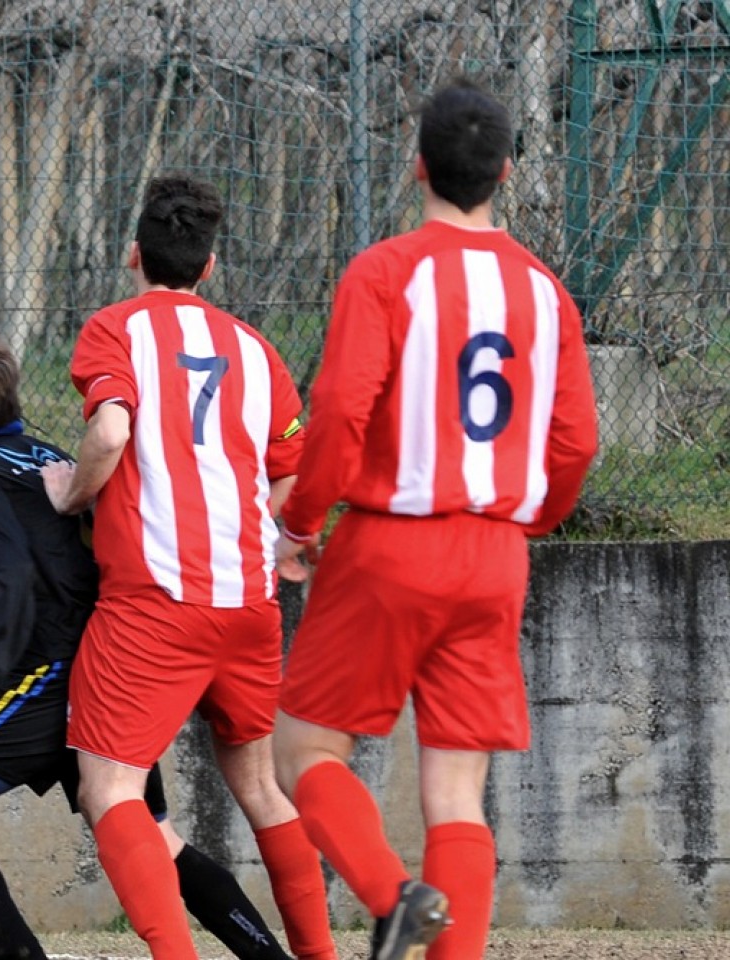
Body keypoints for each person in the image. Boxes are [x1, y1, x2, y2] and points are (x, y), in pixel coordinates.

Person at [270, 78, 599, 960]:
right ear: (506, 173)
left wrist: (300, 523)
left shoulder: (386, 271)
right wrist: (521, 524)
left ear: (417, 165)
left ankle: (392, 899)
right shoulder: (545, 293)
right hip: (495, 554)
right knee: (456, 792)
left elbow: (339, 414)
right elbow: (574, 444)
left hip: (389, 543)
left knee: (301, 752)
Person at [0, 327, 294, 960]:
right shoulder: (44, 453)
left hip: (45, 673)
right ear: (13, 393)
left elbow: (10, 577)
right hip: (110, 663)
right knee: (157, 838)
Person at [41, 175, 335, 960]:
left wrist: (70, 496)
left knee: (110, 791)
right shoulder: (254, 348)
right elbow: (293, 474)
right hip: (248, 603)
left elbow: (107, 436)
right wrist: (263, 531)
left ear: (132, 254)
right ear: (209, 268)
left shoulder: (113, 329)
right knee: (260, 787)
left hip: (153, 604)